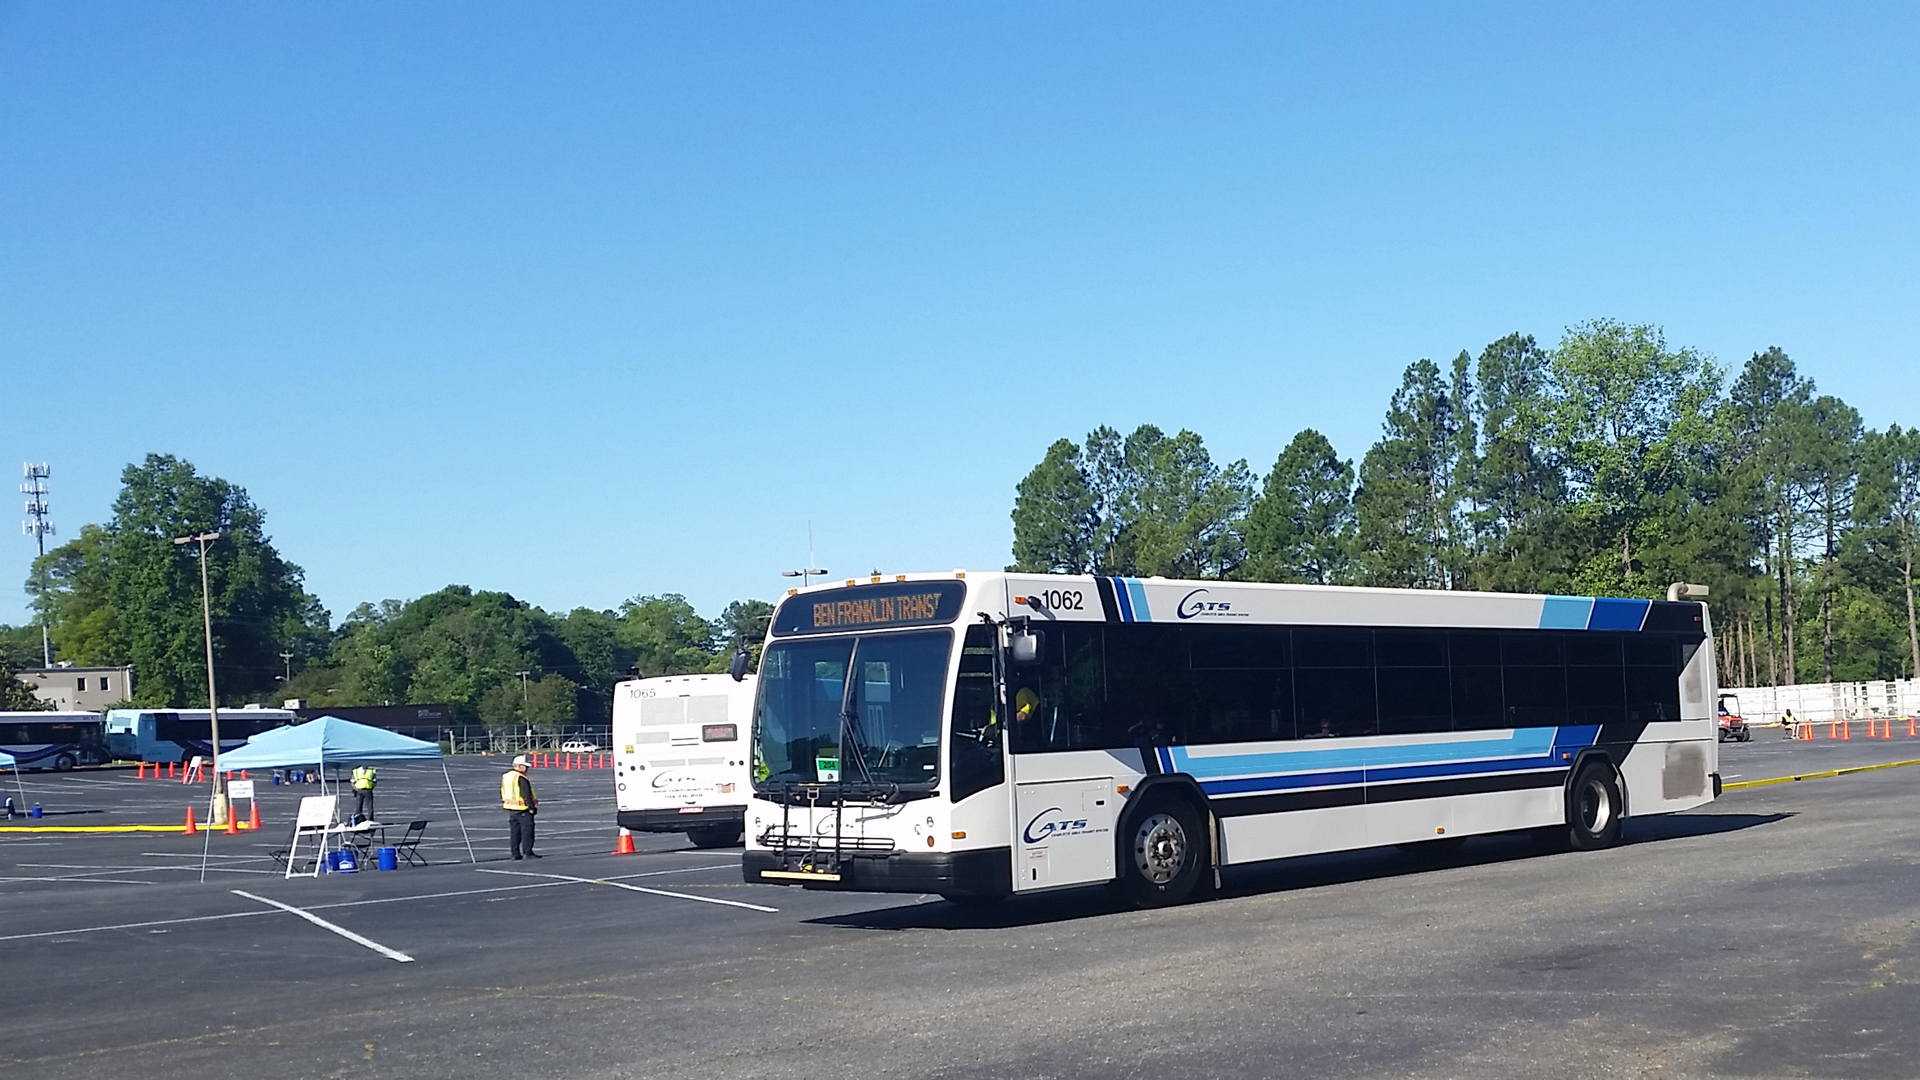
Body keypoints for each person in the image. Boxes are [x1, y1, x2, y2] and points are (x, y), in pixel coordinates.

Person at [502, 755, 540, 860]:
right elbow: (526, 794)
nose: (527, 769)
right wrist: (531, 807)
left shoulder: (507, 776)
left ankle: (515, 853)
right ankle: (528, 852)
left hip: (511, 808)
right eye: (525, 766)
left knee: (515, 833)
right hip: (523, 809)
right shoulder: (521, 778)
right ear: (520, 766)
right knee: (527, 832)